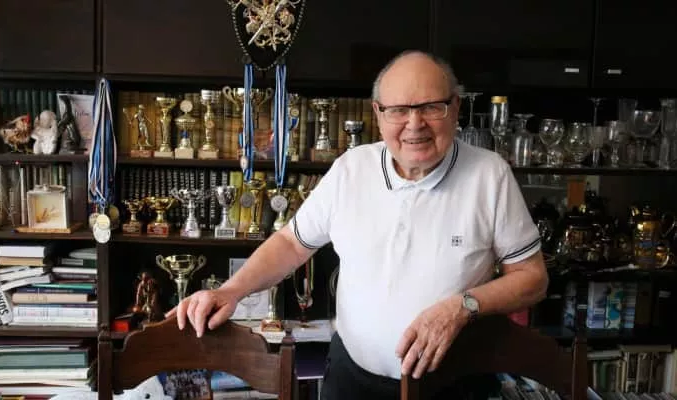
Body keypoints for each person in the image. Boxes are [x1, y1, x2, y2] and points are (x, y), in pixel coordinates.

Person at [166, 50, 549, 400]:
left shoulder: (490, 175)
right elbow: (292, 243)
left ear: (455, 107)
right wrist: (231, 291)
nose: (414, 124)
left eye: (431, 107)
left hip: (453, 385)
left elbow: (532, 279)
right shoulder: (350, 169)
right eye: (398, 110)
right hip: (352, 380)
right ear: (378, 113)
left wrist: (462, 307)